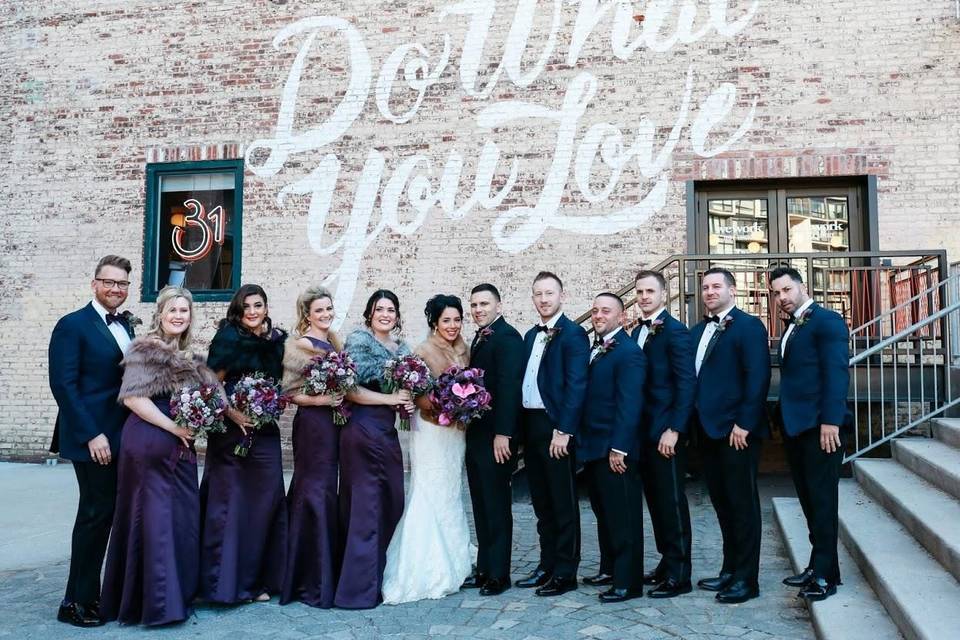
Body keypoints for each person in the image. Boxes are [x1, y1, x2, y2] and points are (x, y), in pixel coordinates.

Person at [101, 286, 219, 626]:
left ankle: (174, 595)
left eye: (184, 310)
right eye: (173, 310)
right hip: (150, 440)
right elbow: (134, 399)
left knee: (178, 520)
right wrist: (176, 428)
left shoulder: (187, 354)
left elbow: (212, 393)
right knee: (154, 520)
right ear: (160, 313)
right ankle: (153, 603)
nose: (179, 315)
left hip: (177, 443)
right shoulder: (144, 348)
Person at [49, 255, 136, 627]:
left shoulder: (126, 327)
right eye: (109, 282)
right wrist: (91, 435)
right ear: (94, 283)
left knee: (104, 516)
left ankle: (89, 594)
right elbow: (63, 385)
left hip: (119, 434)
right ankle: (75, 602)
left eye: (122, 284)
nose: (116, 289)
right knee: (94, 516)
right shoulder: (72, 325)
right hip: (93, 438)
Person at [382, 294, 474, 604]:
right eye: (446, 320)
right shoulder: (422, 352)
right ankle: (425, 566)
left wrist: (467, 406)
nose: (452, 325)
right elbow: (416, 396)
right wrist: (444, 408)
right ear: (434, 322)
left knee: (450, 492)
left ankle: (457, 557)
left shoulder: (464, 348)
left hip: (455, 435)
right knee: (429, 490)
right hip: (432, 431)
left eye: (457, 319)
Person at [199, 284, 288, 603]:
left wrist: (273, 402)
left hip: (264, 430)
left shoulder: (277, 341)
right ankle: (225, 583)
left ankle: (260, 580)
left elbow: (281, 384)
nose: (252, 311)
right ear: (238, 310)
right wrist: (233, 413)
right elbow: (212, 381)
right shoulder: (228, 338)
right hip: (230, 428)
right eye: (246, 306)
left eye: (258, 305)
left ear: (266, 308)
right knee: (232, 503)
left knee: (265, 502)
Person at [769, 266, 850, 601]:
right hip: (797, 427)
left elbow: (836, 373)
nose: (782, 298)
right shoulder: (793, 326)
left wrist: (831, 421)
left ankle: (824, 577)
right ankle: (821, 567)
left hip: (821, 428)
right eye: (776, 293)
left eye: (787, 290)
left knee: (822, 501)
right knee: (808, 500)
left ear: (802, 287)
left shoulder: (827, 321)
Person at [690, 267, 770, 604]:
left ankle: (746, 580)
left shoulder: (749, 327)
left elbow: (758, 377)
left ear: (732, 290)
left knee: (743, 505)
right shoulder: (697, 331)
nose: (710, 292)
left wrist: (744, 424)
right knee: (722, 504)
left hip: (737, 432)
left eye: (716, 286)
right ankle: (728, 569)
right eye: (706, 287)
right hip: (706, 431)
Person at [335, 290, 414, 609]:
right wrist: (390, 399)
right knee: (365, 509)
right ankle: (358, 590)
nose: (385, 314)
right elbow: (350, 391)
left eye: (391, 309)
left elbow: (405, 388)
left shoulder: (402, 349)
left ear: (397, 315)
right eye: (379, 309)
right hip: (362, 429)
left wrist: (406, 396)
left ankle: (381, 575)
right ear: (369, 313)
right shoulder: (358, 342)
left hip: (386, 432)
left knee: (391, 501)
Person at [515, 272, 589, 597]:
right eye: (538, 294)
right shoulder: (531, 335)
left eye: (549, 293)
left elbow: (577, 385)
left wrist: (565, 430)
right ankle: (546, 564)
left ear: (562, 295)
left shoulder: (573, 334)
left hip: (555, 426)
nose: (543, 299)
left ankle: (565, 571)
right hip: (531, 425)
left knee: (562, 502)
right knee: (541, 502)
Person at [631, 270, 695, 598]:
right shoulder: (635, 331)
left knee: (671, 501)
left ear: (663, 294)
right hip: (642, 432)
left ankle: (680, 574)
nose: (644, 297)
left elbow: (686, 384)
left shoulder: (676, 332)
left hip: (665, 432)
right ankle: (665, 562)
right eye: (640, 291)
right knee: (655, 501)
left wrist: (675, 429)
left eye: (650, 291)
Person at [279, 287, 344, 609]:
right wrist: (322, 399)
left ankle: (322, 568)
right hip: (313, 424)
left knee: (326, 489)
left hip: (332, 424)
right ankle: (309, 576)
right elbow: (289, 392)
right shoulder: (302, 344)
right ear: (307, 314)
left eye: (328, 308)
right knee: (313, 490)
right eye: (319, 310)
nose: (325, 314)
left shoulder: (334, 340)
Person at [580, 293, 646, 603]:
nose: (598, 315)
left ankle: (627, 582)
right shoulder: (597, 347)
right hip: (593, 445)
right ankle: (609, 568)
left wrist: (620, 447)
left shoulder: (628, 353)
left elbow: (629, 404)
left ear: (622, 317)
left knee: (623, 517)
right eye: (595, 311)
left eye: (606, 311)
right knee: (604, 513)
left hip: (615, 449)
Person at [463, 283, 524, 596]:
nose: (478, 309)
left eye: (484, 304)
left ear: (499, 306)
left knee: (497, 506)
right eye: (474, 304)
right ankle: (484, 566)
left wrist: (505, 434)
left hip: (496, 438)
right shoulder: (481, 335)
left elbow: (510, 389)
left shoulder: (508, 338)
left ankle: (499, 574)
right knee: (481, 504)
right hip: (477, 436)